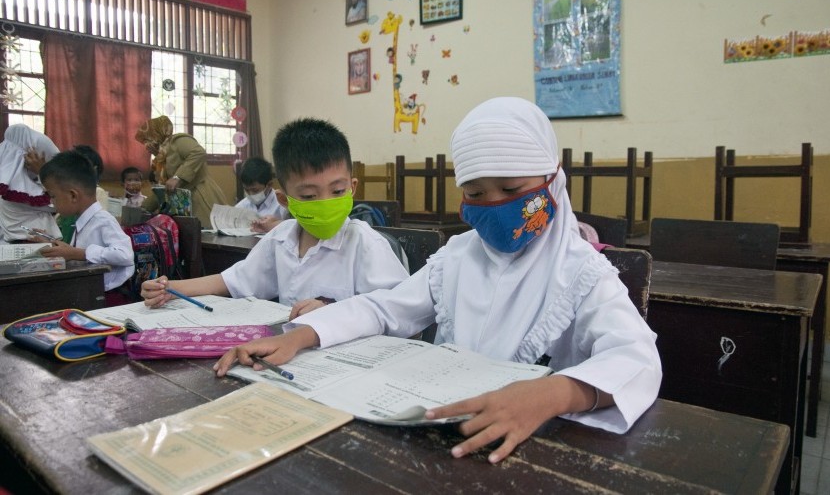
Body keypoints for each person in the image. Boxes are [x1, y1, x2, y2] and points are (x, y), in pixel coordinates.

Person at [214, 97, 662, 463]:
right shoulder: (458, 257)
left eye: (510, 190)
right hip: (444, 437)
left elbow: (637, 357)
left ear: (552, 179)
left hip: (531, 447)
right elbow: (384, 307)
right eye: (475, 194)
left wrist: (550, 394)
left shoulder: (582, 271)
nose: (494, 204)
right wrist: (304, 336)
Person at [140, 117, 410, 316]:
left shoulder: (365, 243)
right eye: (308, 196)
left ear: (352, 188)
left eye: (337, 191)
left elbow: (399, 311)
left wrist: (334, 310)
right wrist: (171, 287)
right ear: (284, 200)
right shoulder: (281, 238)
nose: (326, 203)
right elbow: (232, 281)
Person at [38, 151, 135, 306]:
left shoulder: (103, 220)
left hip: (109, 299)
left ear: (73, 195)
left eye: (53, 196)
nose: (51, 202)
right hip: (90, 293)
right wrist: (55, 245)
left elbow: (125, 255)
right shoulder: (81, 221)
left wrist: (79, 254)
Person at [134, 116, 228, 227]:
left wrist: (178, 177)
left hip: (201, 196)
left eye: (147, 141)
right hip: (183, 204)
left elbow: (198, 153)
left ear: (156, 136)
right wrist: (142, 210)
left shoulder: (178, 141)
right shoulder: (160, 160)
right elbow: (163, 189)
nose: (146, 147)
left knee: (208, 235)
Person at [0, 124, 61, 242]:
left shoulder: (8, 187)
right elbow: (57, 203)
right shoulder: (17, 193)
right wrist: (42, 172)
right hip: (30, 245)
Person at [235, 156, 290, 233]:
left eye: (255, 190)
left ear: (269, 185)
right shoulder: (241, 206)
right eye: (246, 190)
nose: (250, 194)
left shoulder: (281, 205)